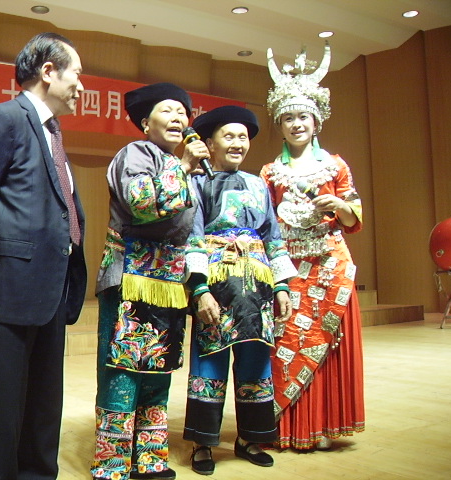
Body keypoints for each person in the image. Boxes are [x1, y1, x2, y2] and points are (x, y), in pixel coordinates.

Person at [0, 32, 88, 479]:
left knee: (44, 403)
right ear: (49, 71)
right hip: (5, 287)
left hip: (51, 286)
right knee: (1, 407)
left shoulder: (52, 131)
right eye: (77, 73)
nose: (81, 85)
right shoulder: (4, 120)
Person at [91, 82, 209, 480]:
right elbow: (140, 203)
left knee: (159, 369)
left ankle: (150, 457)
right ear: (145, 123)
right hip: (131, 277)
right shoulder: (135, 153)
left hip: (171, 284)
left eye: (182, 112)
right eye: (167, 110)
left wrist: (198, 283)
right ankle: (111, 463)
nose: (178, 118)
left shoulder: (183, 165)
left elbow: (192, 231)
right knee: (122, 370)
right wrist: (184, 168)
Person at [259, 43, 365, 450]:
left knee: (328, 345)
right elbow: (266, 224)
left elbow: (353, 219)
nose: (296, 123)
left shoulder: (335, 165)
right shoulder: (270, 171)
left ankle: (324, 426)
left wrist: (339, 205)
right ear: (280, 124)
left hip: (329, 265)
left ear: (316, 120)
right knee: (287, 345)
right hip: (289, 268)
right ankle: (291, 427)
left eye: (303, 116)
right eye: (288, 117)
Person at [181, 106, 298, 475]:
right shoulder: (197, 183)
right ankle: (203, 442)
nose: (237, 143)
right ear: (210, 143)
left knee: (256, 362)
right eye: (228, 136)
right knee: (210, 361)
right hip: (217, 285)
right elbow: (192, 237)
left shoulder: (258, 184)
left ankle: (250, 437)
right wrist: (200, 290)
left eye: (243, 137)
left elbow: (272, 236)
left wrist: (281, 286)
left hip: (257, 287)